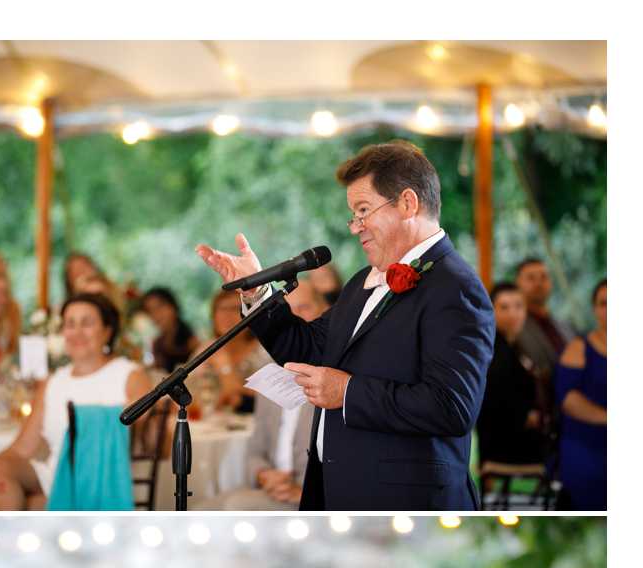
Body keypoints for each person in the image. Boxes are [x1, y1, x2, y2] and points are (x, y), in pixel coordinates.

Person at [197, 138, 493, 511]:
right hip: (334, 491)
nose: (356, 227)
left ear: (407, 203)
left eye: (364, 210)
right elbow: (306, 348)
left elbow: (452, 406)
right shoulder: (361, 283)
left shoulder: (456, 287)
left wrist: (348, 392)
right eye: (354, 215)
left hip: (404, 501)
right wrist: (257, 291)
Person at [0, 292, 150, 510]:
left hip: (104, 476)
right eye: (70, 324)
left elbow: (145, 427)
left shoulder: (128, 375)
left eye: (87, 323)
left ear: (107, 331)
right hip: (56, 475)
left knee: (31, 502)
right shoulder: (53, 382)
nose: (77, 332)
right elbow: (22, 449)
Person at [243, 280, 322, 506]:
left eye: (304, 308)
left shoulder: (332, 381)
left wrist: (304, 491)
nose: (294, 318)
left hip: (311, 496)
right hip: (271, 489)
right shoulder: (269, 376)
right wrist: (264, 474)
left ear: (324, 313)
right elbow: (253, 451)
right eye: (288, 309)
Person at [477, 282, 549, 468]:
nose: (513, 314)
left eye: (518, 306)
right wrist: (529, 415)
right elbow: (498, 401)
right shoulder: (493, 349)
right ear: (491, 310)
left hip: (516, 433)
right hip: (503, 441)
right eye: (504, 307)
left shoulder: (513, 345)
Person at [555, 279, 606, 510]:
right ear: (595, 309)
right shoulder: (579, 347)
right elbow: (568, 400)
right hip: (588, 447)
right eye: (604, 303)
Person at [196, 288, 269, 414]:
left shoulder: (265, 350)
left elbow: (254, 399)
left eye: (235, 309)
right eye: (222, 309)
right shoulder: (206, 348)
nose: (227, 316)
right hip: (211, 424)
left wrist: (224, 366)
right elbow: (190, 392)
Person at [514, 258, 575, 389]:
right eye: (531, 278)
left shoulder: (565, 326)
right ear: (518, 283)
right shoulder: (514, 327)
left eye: (544, 277)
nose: (538, 283)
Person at [141, 286, 197, 372]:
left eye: (159, 307)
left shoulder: (192, 341)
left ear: (172, 307)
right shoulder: (157, 343)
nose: (156, 315)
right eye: (150, 311)